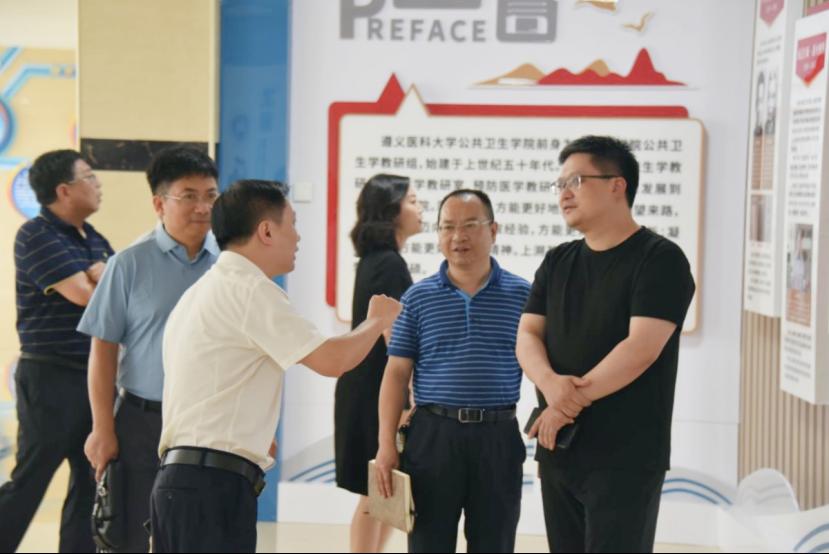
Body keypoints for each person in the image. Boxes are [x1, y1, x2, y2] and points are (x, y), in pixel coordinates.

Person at [149, 179, 402, 553]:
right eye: (293, 224)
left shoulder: (202, 291)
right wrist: (377, 320)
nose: (298, 237)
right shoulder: (250, 288)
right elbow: (332, 359)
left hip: (186, 482)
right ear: (266, 231)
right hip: (210, 485)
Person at [516, 135, 696, 553]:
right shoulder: (557, 261)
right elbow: (527, 335)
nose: (563, 193)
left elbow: (640, 349)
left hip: (625, 455)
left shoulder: (660, 259)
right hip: (559, 446)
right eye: (560, 184)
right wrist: (550, 385)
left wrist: (564, 404)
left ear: (618, 185)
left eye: (576, 181)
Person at [77, 146, 220, 552]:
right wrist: (103, 428)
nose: (203, 207)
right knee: (135, 535)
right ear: (159, 204)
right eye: (189, 196)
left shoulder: (229, 265)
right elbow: (103, 350)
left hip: (208, 424)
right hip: (142, 421)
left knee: (200, 534)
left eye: (211, 195)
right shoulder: (128, 265)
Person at [375, 189, 531, 554]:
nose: (458, 236)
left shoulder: (524, 296)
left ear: (493, 230)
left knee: (495, 544)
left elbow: (542, 362)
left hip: (498, 437)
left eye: (470, 225)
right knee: (428, 544)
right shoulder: (418, 298)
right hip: (433, 437)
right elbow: (396, 373)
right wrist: (386, 444)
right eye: (447, 227)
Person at [0, 149, 113, 553]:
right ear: (64, 190)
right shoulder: (36, 235)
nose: (98, 184)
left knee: (90, 481)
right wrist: (98, 276)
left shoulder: (94, 237)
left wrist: (101, 275)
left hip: (93, 377)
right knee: (31, 479)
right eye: (89, 177)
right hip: (50, 377)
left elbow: (120, 293)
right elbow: (85, 295)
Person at [335, 174, 422, 553]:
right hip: (376, 392)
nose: (420, 208)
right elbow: (394, 338)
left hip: (367, 388)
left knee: (384, 493)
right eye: (412, 201)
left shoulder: (378, 260)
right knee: (378, 490)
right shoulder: (387, 264)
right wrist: (407, 399)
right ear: (391, 211)